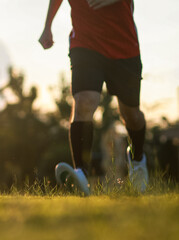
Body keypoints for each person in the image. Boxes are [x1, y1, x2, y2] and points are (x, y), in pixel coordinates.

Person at [39, 0, 148, 195]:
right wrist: (47, 26)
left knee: (131, 115)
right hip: (85, 44)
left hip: (124, 48)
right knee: (84, 102)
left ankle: (138, 159)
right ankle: (81, 172)